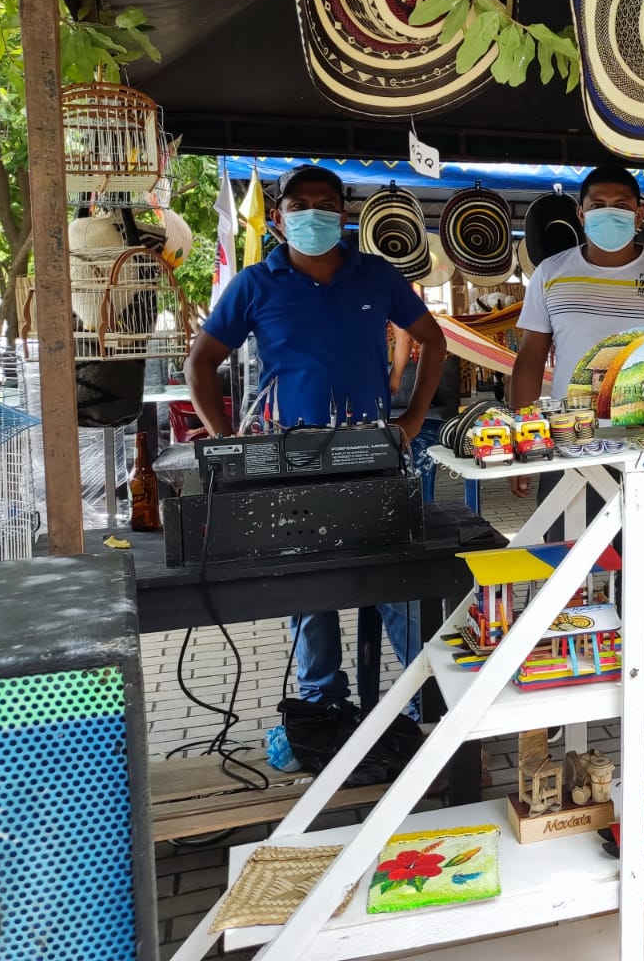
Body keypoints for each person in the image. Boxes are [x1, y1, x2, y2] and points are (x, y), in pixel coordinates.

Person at [184, 164, 447, 709]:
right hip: (288, 460)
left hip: (375, 453)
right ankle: (322, 710)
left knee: (397, 584)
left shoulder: (377, 275)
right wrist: (227, 440)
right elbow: (201, 363)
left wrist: (415, 417)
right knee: (310, 591)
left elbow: (432, 340)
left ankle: (429, 703)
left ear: (343, 214)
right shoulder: (255, 283)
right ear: (278, 218)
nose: (311, 214)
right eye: (297, 205)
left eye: (324, 203)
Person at [509, 165, 644, 506]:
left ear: (638, 216)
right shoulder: (551, 273)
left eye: (621, 206)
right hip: (569, 442)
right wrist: (522, 435)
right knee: (567, 551)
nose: (609, 213)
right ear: (581, 214)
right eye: (597, 205)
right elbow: (529, 361)